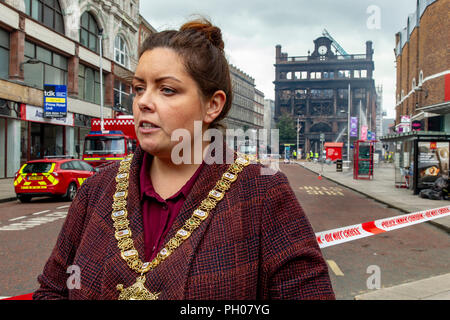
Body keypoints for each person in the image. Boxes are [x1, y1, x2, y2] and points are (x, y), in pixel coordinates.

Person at [33, 18, 334, 300]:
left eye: (167, 90)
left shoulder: (262, 192)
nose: (143, 103)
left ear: (212, 106)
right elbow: (52, 290)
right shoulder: (97, 189)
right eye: (139, 88)